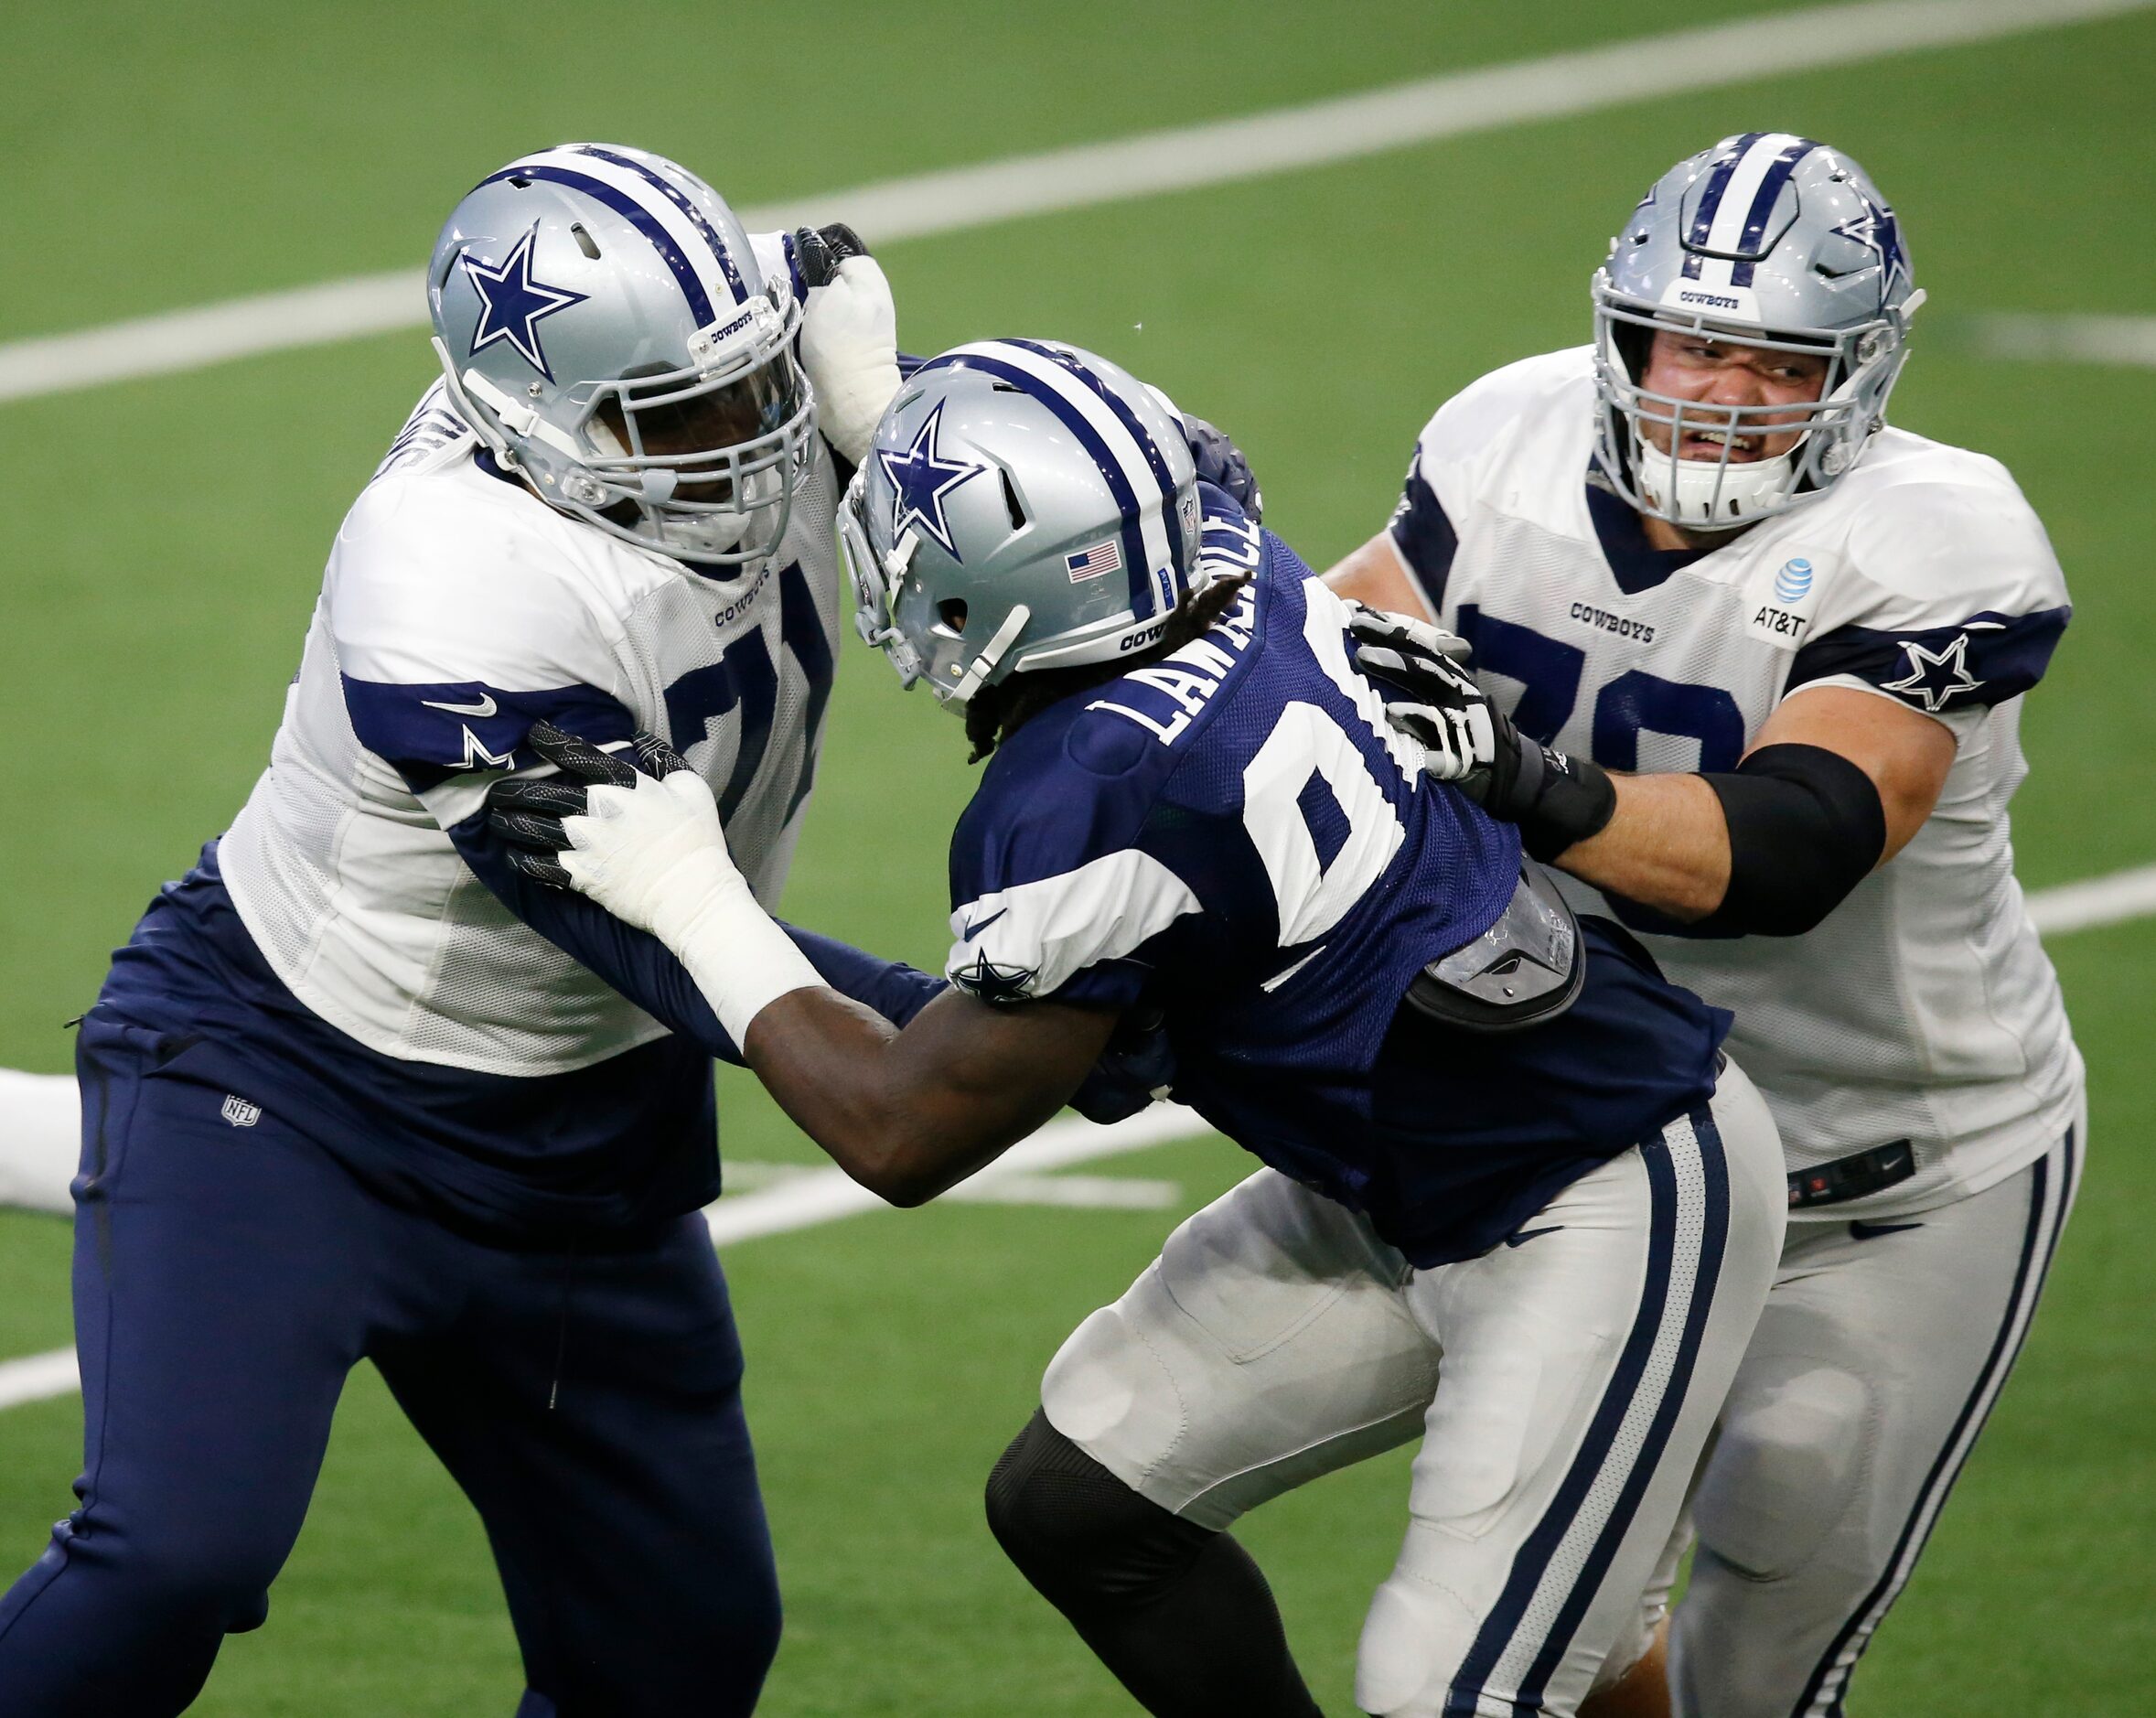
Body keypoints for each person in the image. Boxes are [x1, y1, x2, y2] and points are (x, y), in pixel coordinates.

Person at [486, 337, 1788, 1718]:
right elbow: (1066, 1057)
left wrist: (690, 902)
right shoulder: (1235, 555)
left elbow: (901, 1126)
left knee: (1449, 1692)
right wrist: (887, 403)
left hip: (1606, 1188)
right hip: (1419, 1173)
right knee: (1082, 1502)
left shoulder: (1088, 787)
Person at [0, 144, 919, 1715]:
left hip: (581, 1117)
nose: (752, 437)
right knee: (177, 1555)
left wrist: (903, 421)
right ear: (534, 430)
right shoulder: (452, 577)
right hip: (303, 1087)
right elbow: (649, 934)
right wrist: (953, 1023)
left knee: (678, 1652)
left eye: (760, 376)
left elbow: (1125, 545)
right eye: (683, 413)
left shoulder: (744, 396)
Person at [1322, 134, 2081, 1716]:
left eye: (1774, 359)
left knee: (1762, 1642)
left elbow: (1789, 849)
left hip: (1886, 1159)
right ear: (1622, 331)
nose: (1717, 391)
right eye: (1689, 341)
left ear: (1857, 374)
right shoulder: (1503, 433)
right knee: (1570, 1636)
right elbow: (1341, 649)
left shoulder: (1938, 533)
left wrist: (1522, 777)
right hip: (1605, 1142)